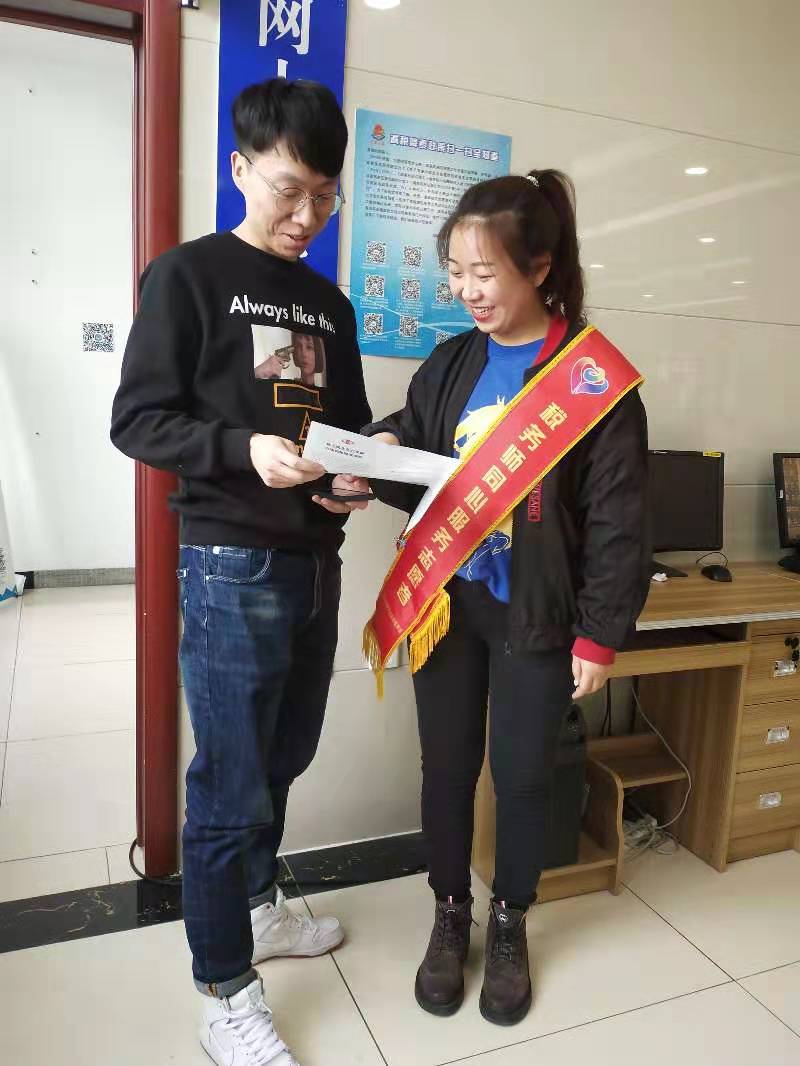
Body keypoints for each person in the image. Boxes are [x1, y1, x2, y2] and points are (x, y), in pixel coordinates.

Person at [111, 78, 371, 1066]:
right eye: (289, 190)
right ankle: (225, 991)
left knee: (281, 758)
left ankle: (257, 908)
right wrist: (239, 448)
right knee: (228, 786)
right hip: (229, 563)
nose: (307, 215)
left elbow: (345, 427)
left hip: (314, 564)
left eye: (324, 197)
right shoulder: (187, 276)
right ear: (240, 169)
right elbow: (139, 420)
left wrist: (348, 480)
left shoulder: (331, 305)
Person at [363, 170, 650, 1026]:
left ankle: (510, 919)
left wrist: (600, 635)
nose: (466, 290)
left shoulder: (591, 379)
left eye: (483, 272)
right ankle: (451, 913)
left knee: (523, 778)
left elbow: (619, 521)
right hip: (447, 606)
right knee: (447, 769)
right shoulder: (454, 360)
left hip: (538, 615)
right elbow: (415, 447)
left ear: (540, 267)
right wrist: (369, 457)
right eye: (455, 271)